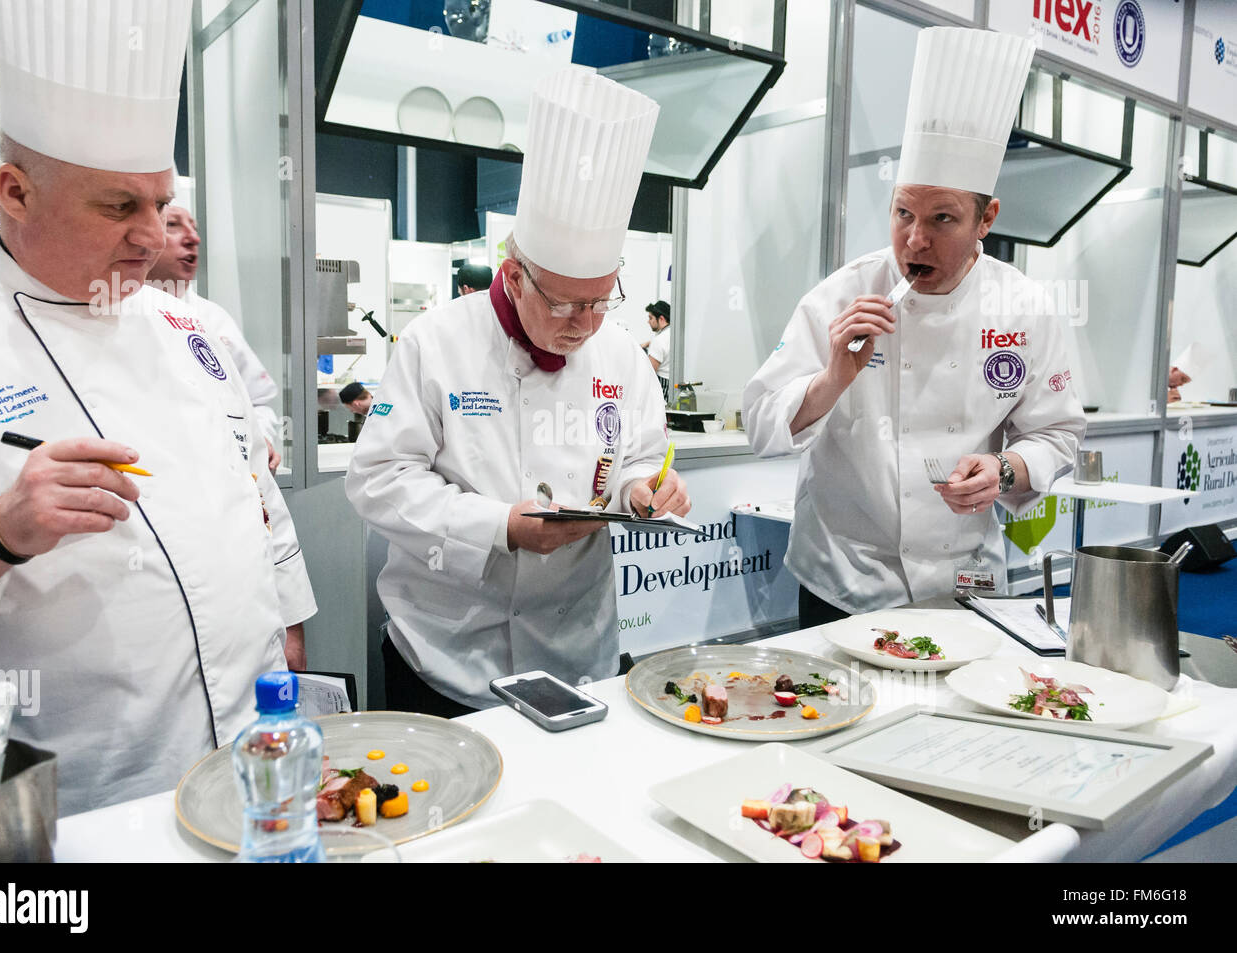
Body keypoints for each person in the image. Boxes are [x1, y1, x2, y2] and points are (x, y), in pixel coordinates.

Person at [0, 0, 317, 815]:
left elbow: (254, 490)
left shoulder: (192, 324)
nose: (153, 234)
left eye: (160, 201)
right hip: (88, 782)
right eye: (119, 207)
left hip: (257, 757)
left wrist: (289, 618)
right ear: (15, 192)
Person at [345, 67, 689, 716]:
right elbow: (377, 481)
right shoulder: (434, 343)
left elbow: (637, 456)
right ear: (513, 273)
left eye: (599, 300)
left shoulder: (619, 352)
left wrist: (644, 488)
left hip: (577, 654)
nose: (583, 325)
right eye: (562, 303)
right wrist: (498, 526)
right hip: (445, 657)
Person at [744, 27, 1085, 626]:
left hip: (966, 578)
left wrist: (1006, 470)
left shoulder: (1025, 307)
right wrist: (831, 379)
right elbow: (761, 424)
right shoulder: (846, 292)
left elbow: (1057, 434)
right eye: (902, 212)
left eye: (942, 218)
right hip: (843, 577)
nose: (914, 239)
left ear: (987, 219)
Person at [146, 205, 283, 472]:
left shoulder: (213, 318)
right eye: (173, 225)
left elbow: (259, 401)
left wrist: (261, 437)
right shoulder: (111, 314)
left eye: (195, 228)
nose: (193, 238)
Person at [644, 300, 672, 402]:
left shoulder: (658, 340)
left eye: (651, 318)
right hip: (674, 390)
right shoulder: (674, 334)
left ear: (661, 318)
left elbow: (649, 372)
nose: (648, 321)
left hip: (663, 392)